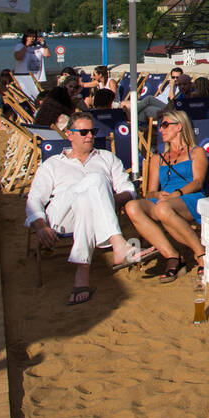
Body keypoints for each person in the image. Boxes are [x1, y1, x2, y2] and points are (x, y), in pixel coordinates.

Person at [25, 114, 145, 305]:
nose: (90, 136)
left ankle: (82, 274)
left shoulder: (107, 158)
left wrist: (103, 199)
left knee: (86, 200)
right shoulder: (53, 164)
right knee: (96, 180)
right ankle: (118, 243)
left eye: (93, 131)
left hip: (90, 215)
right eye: (83, 132)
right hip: (61, 217)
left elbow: (129, 190)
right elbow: (34, 200)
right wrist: (40, 227)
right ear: (69, 134)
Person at [124, 109, 207, 282]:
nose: (160, 130)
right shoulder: (158, 159)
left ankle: (200, 253)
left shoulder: (196, 152)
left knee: (163, 208)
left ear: (179, 127)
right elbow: (149, 192)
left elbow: (198, 182)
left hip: (189, 198)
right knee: (131, 206)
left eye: (164, 125)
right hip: (164, 201)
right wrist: (159, 194)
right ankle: (172, 255)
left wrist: (176, 194)